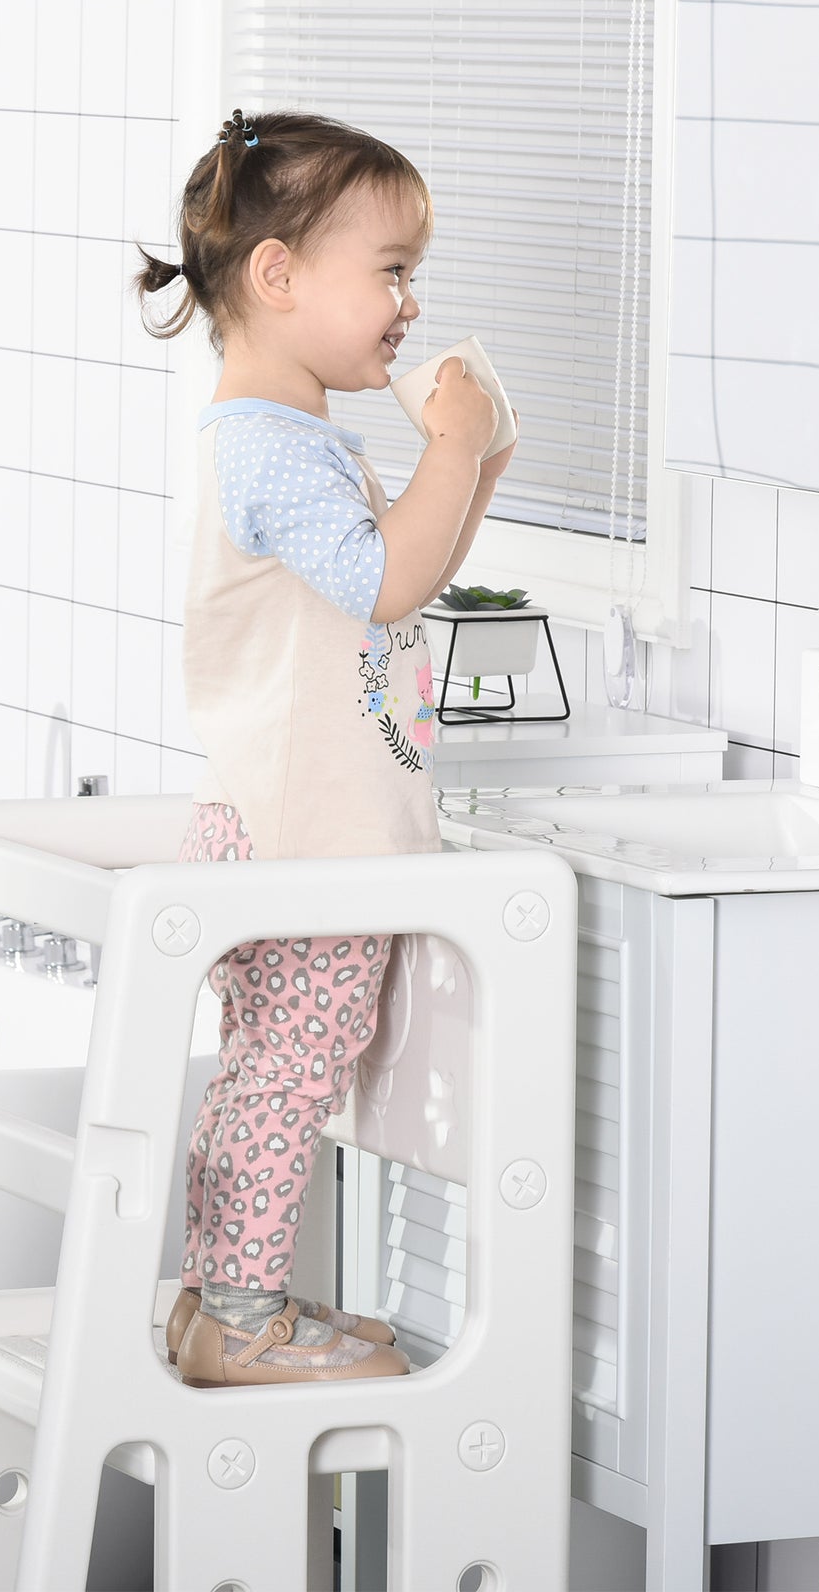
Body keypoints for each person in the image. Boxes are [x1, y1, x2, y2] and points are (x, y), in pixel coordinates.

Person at [132, 107, 518, 1389]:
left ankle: (223, 1301)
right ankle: (238, 1310)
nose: (410, 302)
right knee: (285, 1069)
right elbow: (382, 585)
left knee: (275, 1065)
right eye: (392, 270)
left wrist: (471, 468)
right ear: (279, 276)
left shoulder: (295, 442)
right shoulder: (270, 450)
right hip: (302, 830)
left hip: (294, 816)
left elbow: (402, 577)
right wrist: (448, 450)